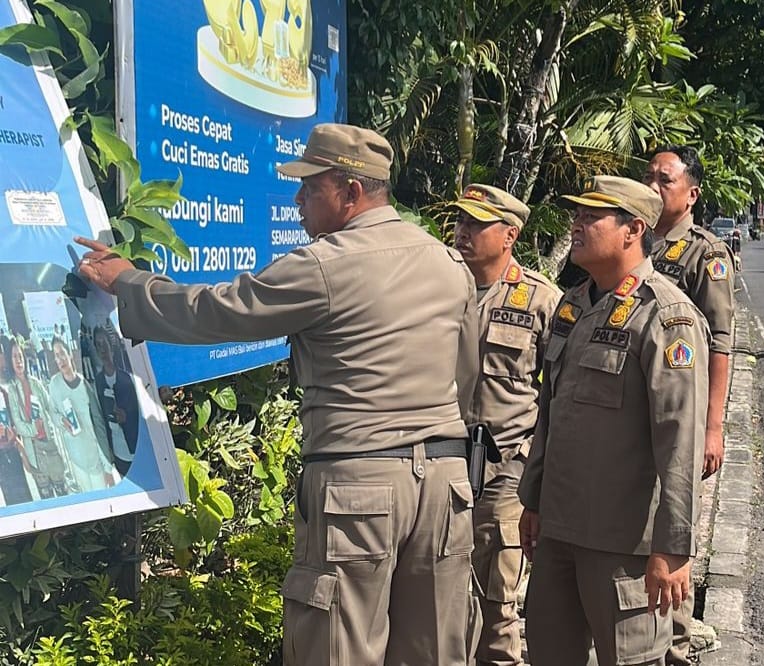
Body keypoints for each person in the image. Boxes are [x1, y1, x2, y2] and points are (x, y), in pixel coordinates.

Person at [76, 122, 480, 666]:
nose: (298, 200)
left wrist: (129, 282)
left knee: (339, 648)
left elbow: (220, 309)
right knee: (433, 652)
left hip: (359, 492)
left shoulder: (325, 265)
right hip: (445, 488)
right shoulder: (450, 265)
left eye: (311, 188)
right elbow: (467, 378)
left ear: (352, 191)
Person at [517, 176, 709, 666]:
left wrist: (673, 548)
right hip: (559, 532)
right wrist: (533, 500)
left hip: (624, 547)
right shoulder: (573, 305)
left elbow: (680, 440)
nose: (576, 224)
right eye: (577, 214)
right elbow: (551, 412)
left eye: (591, 216)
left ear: (632, 230)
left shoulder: (666, 316)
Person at [450, 184, 561, 666]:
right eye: (461, 221)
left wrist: (538, 464)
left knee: (498, 604)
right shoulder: (442, 288)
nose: (462, 231)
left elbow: (561, 391)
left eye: (477, 224)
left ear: (510, 234)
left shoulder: (541, 300)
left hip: (507, 472)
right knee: (443, 595)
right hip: (443, 464)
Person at [642, 145, 733, 666]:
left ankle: (675, 641)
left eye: (666, 179)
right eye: (649, 176)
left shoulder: (705, 254)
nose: (655, 185)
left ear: (691, 194)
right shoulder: (634, 239)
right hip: (635, 415)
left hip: (683, 417)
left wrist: (713, 426)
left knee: (671, 523)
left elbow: (720, 342)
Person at [47, 336, 116, 492]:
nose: (60, 359)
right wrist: (61, 420)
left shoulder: (86, 387)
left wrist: (107, 468)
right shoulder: (54, 384)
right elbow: (52, 412)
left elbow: (99, 428)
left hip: (95, 463)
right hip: (75, 462)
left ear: (70, 354)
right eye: (56, 356)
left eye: (62, 353)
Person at [3, 335, 69, 499]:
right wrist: (34, 428)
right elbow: (17, 424)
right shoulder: (12, 390)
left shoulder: (36, 384)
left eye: (20, 356)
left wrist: (62, 420)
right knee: (46, 497)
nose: (18, 361)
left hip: (50, 446)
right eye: (14, 357)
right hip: (34, 452)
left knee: (63, 494)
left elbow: (51, 408)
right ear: (10, 362)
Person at [92, 326, 139, 477]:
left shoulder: (128, 378)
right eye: (98, 345)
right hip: (118, 455)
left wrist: (127, 418)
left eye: (104, 343)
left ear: (111, 346)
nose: (102, 349)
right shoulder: (98, 382)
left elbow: (140, 412)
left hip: (136, 450)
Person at [0, 339, 34, 506]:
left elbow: (14, 422)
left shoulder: (5, 392)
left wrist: (20, 446)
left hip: (13, 451)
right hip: (2, 460)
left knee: (25, 500)